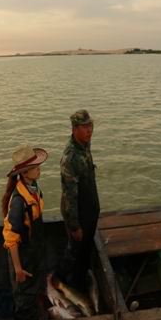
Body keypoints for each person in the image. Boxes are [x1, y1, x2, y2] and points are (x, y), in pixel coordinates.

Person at [2, 144, 48, 320]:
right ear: (24, 173)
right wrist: (18, 269)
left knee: (36, 288)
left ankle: (36, 314)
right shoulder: (18, 202)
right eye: (35, 168)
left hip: (34, 251)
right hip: (22, 255)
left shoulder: (34, 188)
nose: (39, 170)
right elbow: (11, 240)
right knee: (24, 296)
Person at [57, 110, 100, 291]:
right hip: (78, 213)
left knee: (85, 249)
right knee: (74, 250)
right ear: (74, 129)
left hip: (89, 210)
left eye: (90, 126)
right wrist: (75, 226)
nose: (89, 130)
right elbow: (69, 196)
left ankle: (80, 277)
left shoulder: (84, 145)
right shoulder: (71, 158)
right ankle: (62, 281)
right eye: (85, 127)